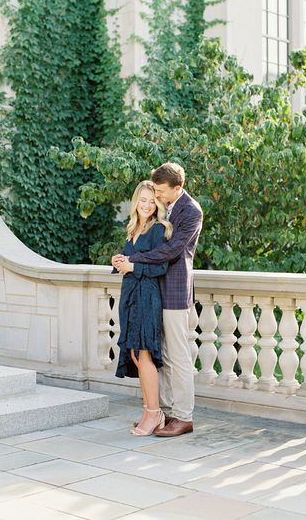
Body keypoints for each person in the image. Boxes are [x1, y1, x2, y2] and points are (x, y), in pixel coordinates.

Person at [114, 162, 203, 437]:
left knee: (178, 356)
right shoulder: (166, 208)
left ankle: (184, 417)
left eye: (161, 191)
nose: (157, 195)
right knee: (159, 355)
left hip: (174, 291)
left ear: (178, 188)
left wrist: (133, 262)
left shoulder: (191, 211)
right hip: (152, 291)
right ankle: (162, 411)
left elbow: (172, 251)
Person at [112, 180, 173, 436]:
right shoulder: (134, 229)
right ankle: (149, 411)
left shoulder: (158, 229)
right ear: (136, 202)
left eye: (152, 201)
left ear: (157, 204)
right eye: (143, 200)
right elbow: (130, 261)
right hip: (130, 297)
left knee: (145, 354)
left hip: (147, 297)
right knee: (136, 355)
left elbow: (161, 267)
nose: (147, 205)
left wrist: (133, 266)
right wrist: (118, 262)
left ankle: (154, 413)